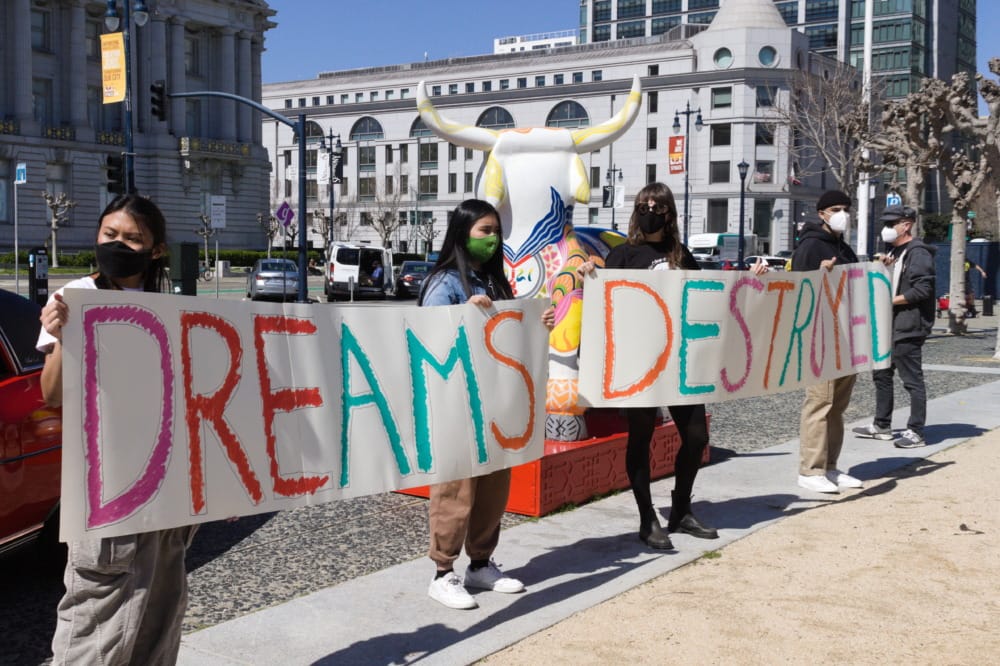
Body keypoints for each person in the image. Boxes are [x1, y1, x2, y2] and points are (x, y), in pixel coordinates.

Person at [38, 195, 199, 664]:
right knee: (95, 631)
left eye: (133, 238)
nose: (118, 245)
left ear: (156, 250)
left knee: (159, 624)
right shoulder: (74, 297)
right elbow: (51, 394)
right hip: (108, 491)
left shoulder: (167, 307)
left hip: (167, 494)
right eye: (111, 234)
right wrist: (63, 336)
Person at [418, 198, 555, 609]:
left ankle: (480, 563)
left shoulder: (496, 283)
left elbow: (509, 339)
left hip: (494, 404)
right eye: (485, 231)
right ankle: (443, 572)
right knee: (455, 490)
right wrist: (462, 314)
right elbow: (430, 340)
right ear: (463, 233)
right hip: (456, 403)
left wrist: (538, 325)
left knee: (494, 486)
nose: (493, 240)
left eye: (496, 232)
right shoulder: (444, 283)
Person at [577, 182, 721, 550]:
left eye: (658, 205)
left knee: (695, 437)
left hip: (679, 363)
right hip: (638, 363)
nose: (650, 209)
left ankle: (681, 508)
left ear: (669, 213)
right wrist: (590, 277)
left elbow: (706, 295)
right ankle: (646, 517)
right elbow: (606, 307)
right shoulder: (623, 255)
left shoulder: (681, 254)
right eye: (644, 204)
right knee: (641, 438)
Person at [790, 189, 864, 494]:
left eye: (846, 208)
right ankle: (810, 469)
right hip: (820, 336)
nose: (843, 213)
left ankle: (830, 466)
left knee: (837, 406)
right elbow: (798, 291)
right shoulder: (809, 247)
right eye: (836, 208)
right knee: (821, 401)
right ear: (821, 213)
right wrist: (819, 276)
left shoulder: (842, 247)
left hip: (846, 336)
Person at [853, 205, 935, 449]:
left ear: (906, 225)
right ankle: (882, 425)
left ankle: (917, 431)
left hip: (908, 325)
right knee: (881, 374)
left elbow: (923, 289)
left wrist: (889, 300)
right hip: (887, 325)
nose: (886, 229)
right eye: (885, 223)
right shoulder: (894, 251)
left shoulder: (918, 252)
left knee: (912, 380)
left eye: (892, 224)